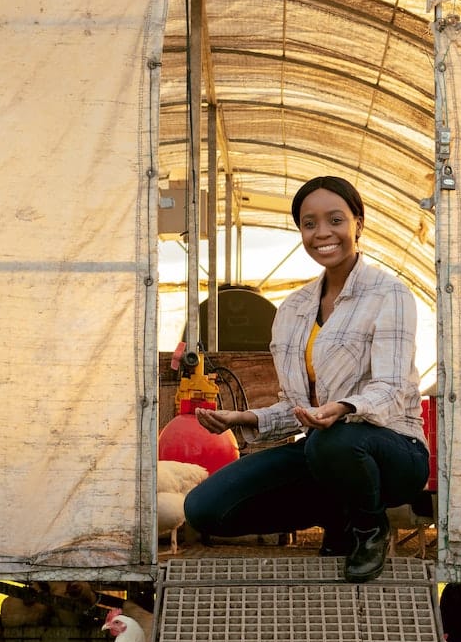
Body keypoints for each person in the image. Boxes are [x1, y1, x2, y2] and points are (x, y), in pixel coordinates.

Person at [184, 176, 429, 582]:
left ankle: (368, 528)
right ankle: (339, 512)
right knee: (206, 508)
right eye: (309, 223)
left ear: (358, 224)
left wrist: (343, 409)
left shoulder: (389, 294)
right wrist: (247, 419)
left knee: (333, 440)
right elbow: (296, 404)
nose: (322, 233)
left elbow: (391, 389)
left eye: (335, 219)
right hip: (326, 452)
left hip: (394, 452)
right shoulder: (294, 309)